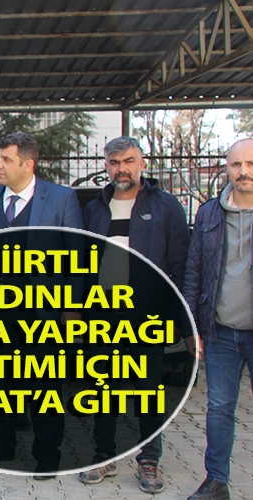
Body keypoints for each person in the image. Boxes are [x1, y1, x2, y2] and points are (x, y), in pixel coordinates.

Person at [79, 136, 189, 493]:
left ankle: (149, 460)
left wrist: (180, 320)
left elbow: (179, 265)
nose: (121, 168)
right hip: (102, 315)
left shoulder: (165, 206)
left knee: (148, 389)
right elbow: (82, 263)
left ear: (142, 163)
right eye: (113, 162)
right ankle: (104, 455)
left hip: (147, 314)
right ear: (106, 166)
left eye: (128, 161)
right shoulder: (96, 208)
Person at [0, 132, 83, 479]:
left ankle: (47, 455)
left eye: (5, 159)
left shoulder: (61, 199)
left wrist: (72, 309)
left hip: (42, 313)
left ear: (27, 164)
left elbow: (77, 256)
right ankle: (2, 445)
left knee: (44, 387)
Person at [183, 137, 253, 500]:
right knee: (220, 408)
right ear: (227, 168)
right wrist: (193, 325)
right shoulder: (210, 213)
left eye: (251, 165)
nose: (243, 172)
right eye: (237, 165)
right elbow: (194, 271)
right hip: (220, 330)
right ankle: (216, 481)